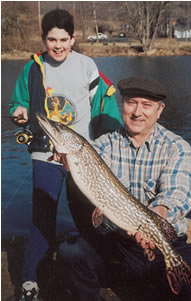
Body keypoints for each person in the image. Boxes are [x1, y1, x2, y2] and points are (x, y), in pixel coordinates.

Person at [56, 77, 191, 301]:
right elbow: (82, 172)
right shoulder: (104, 144)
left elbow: (177, 194)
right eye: (131, 103)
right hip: (116, 241)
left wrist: (161, 212)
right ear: (123, 106)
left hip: (164, 242)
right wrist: (66, 161)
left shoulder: (176, 147)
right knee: (70, 253)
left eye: (147, 105)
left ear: (159, 110)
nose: (138, 112)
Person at [9, 9, 122, 301]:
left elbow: (106, 102)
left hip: (83, 158)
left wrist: (112, 140)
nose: (57, 45)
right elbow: (18, 101)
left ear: (74, 39)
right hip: (44, 154)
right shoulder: (32, 67)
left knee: (90, 216)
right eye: (51, 39)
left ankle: (95, 267)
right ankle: (30, 279)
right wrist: (17, 113)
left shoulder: (87, 66)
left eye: (64, 39)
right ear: (43, 39)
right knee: (42, 217)